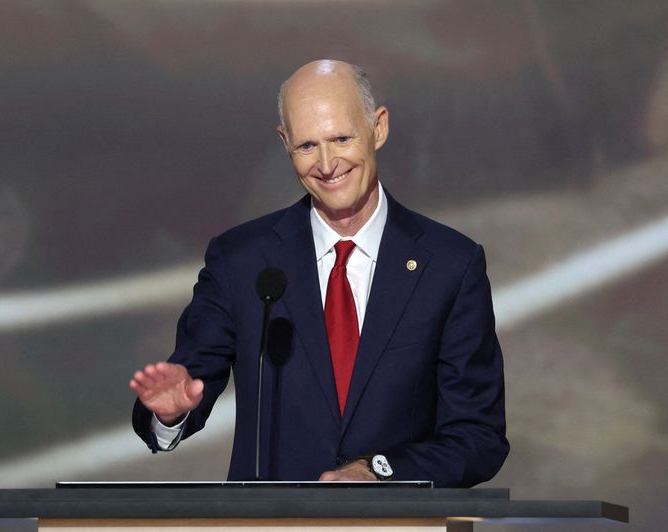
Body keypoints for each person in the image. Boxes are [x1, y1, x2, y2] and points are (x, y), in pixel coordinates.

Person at [129, 59, 508, 486]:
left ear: (378, 128)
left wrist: (378, 472)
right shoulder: (241, 260)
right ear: (284, 141)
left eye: (341, 138)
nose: (327, 164)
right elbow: (190, 375)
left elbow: (478, 436)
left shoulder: (450, 264)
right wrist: (171, 411)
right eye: (307, 146)